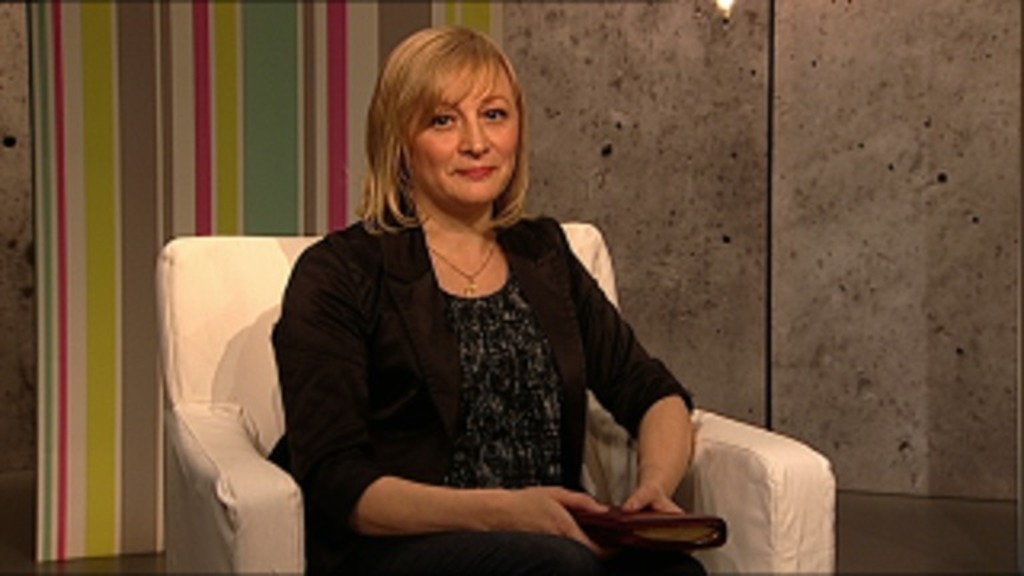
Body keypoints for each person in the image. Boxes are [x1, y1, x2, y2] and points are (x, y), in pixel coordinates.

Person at [271, 26, 705, 575]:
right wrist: (507, 512)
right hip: (399, 548)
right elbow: (335, 479)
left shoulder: (544, 255)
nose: (477, 143)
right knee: (557, 567)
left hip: (557, 540)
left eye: (495, 115)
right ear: (399, 141)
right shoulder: (340, 273)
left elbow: (652, 392)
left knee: (674, 572)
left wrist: (652, 493)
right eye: (443, 121)